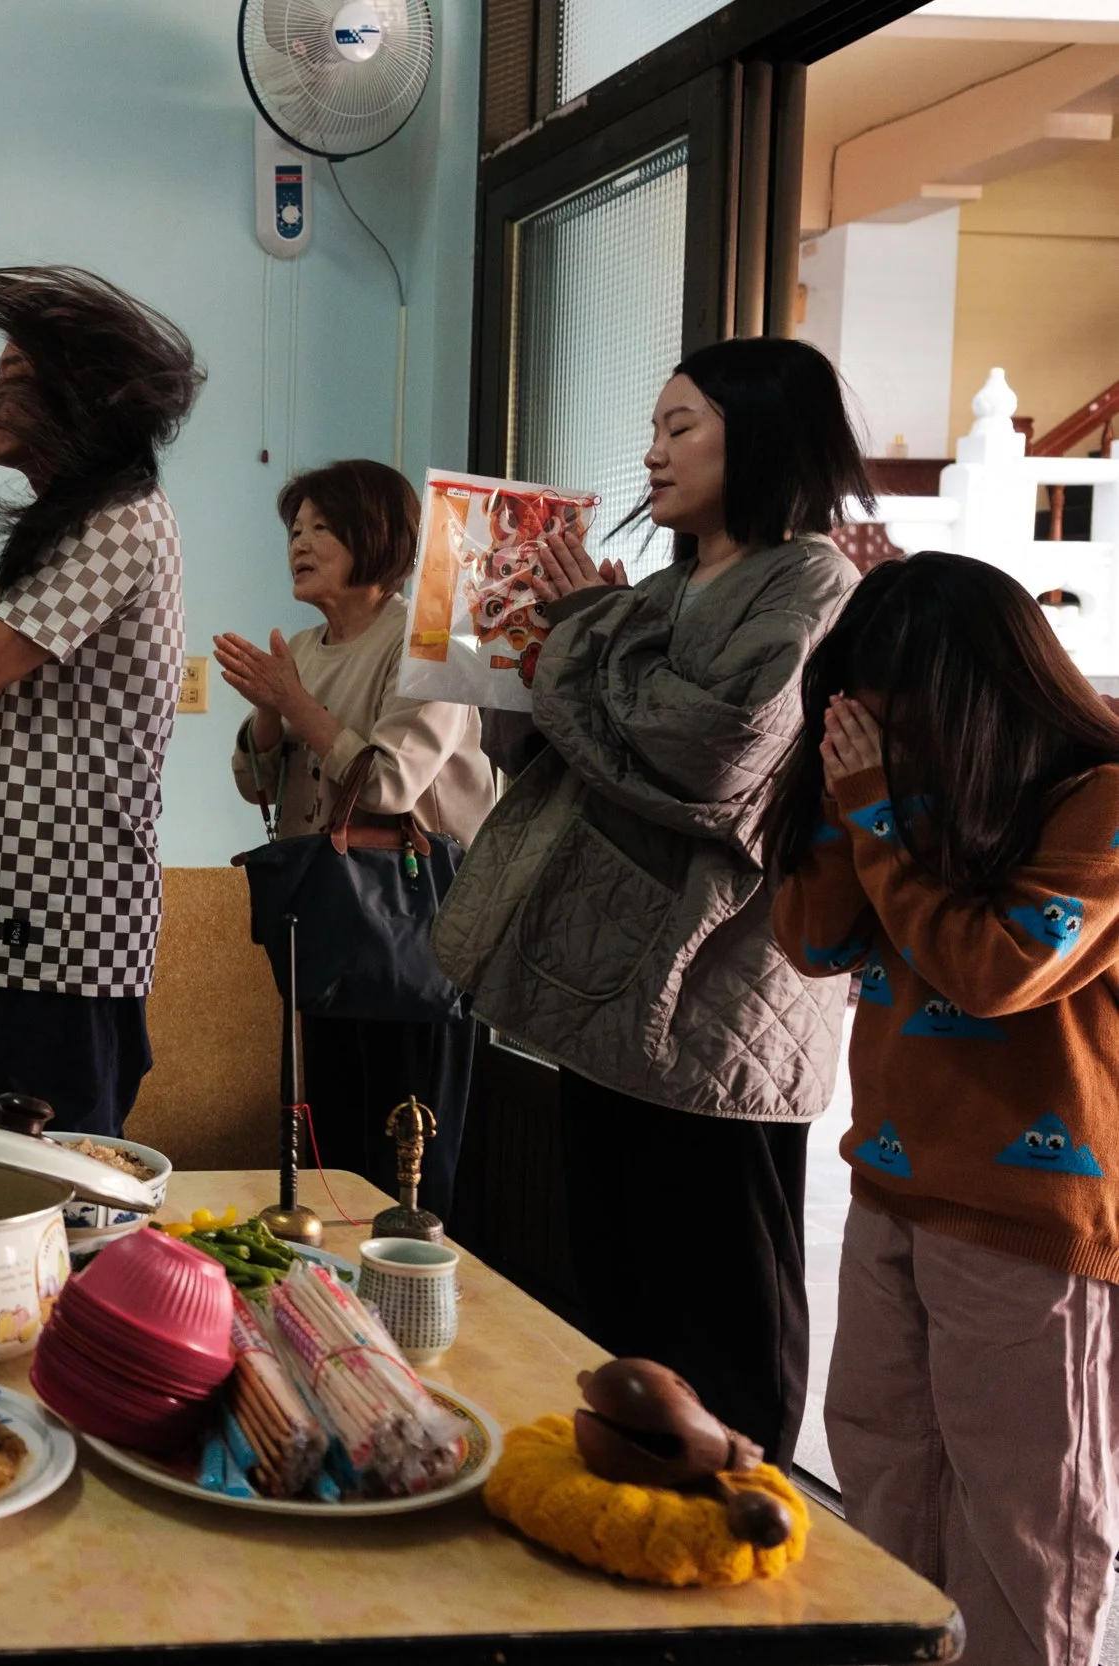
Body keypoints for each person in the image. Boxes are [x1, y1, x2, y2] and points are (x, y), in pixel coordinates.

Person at [431, 335, 869, 1469]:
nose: (652, 451)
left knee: (720, 1318)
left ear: (763, 432)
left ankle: (743, 1542)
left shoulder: (814, 581)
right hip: (600, 991)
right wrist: (501, 652)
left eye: (681, 426)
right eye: (656, 426)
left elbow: (715, 759)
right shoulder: (667, 587)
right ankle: (634, 1527)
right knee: (621, 1299)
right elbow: (575, 748)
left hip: (714, 1004)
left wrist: (586, 635)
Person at [768, 553, 1119, 1666]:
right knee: (881, 1481)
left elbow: (996, 967)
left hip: (1030, 1216)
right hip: (891, 1187)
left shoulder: (1100, 798)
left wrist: (877, 810)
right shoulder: (907, 798)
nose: (890, 738)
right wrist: (839, 800)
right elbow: (813, 941)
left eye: (906, 710)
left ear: (980, 693)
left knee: (1024, 1526)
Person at [0, 266, 202, 1137]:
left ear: (80, 393)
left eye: (16, 373)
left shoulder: (125, 519)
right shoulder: (69, 521)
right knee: (20, 1183)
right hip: (10, 910)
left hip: (68, 924)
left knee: (65, 1195)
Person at [216, 459, 495, 1220]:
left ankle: (407, 1315)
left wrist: (293, 704)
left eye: (322, 529)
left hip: (417, 927)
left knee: (406, 1154)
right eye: (295, 530)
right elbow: (256, 784)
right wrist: (270, 715)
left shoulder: (433, 645)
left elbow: (389, 785)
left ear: (376, 539)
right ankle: (334, 1318)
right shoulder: (302, 648)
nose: (299, 545)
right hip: (334, 923)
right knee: (336, 1153)